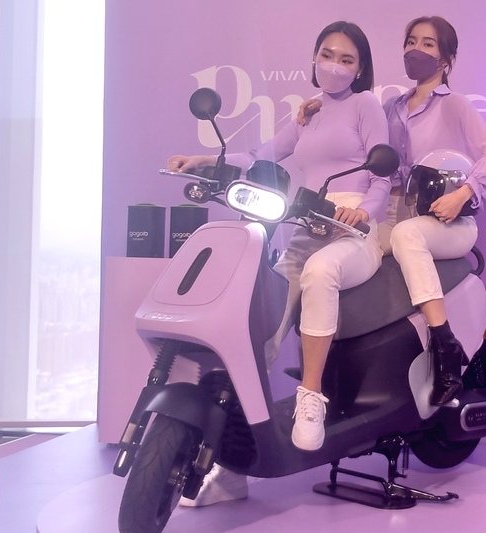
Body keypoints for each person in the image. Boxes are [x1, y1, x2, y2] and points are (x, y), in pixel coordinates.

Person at [166, 20, 389, 505]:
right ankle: (228, 465)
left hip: (354, 232)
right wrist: (205, 160)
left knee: (320, 273)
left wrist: (362, 212)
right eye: (327, 54)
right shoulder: (309, 113)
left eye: (347, 59)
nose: (335, 65)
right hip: (308, 228)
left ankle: (311, 399)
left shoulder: (365, 105)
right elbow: (261, 154)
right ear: (314, 58)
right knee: (261, 322)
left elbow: (383, 180)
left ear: (360, 69)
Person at [299, 15, 486, 406]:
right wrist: (317, 109)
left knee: (407, 235)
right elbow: (353, 122)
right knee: (338, 251)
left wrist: (463, 193)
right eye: (411, 41)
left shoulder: (455, 105)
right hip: (396, 218)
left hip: (448, 221)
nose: (416, 50)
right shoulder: (390, 107)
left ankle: (446, 349)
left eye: (428, 44)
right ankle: (333, 366)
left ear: (447, 58)